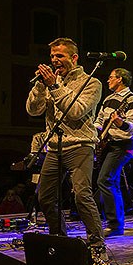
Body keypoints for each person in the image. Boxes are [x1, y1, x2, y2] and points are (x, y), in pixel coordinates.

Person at [26, 38, 104, 250]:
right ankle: (59, 240)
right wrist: (41, 88)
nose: (54, 60)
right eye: (52, 56)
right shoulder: (51, 82)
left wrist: (54, 86)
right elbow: (33, 110)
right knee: (45, 197)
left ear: (74, 57)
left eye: (59, 56)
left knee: (81, 195)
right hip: (54, 148)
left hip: (80, 146)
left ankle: (97, 244)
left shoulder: (91, 83)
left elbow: (77, 111)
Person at [94, 68, 133, 237]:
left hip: (122, 145)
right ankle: (115, 223)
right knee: (109, 181)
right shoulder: (108, 99)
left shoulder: (132, 99)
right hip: (108, 144)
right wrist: (94, 132)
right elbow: (99, 120)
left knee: (105, 180)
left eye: (110, 77)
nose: (108, 80)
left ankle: (115, 225)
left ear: (120, 79)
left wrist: (120, 123)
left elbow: (132, 126)